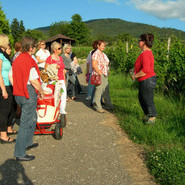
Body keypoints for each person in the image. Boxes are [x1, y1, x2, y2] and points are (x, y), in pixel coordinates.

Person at [10, 37, 44, 161]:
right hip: (27, 93)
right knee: (25, 124)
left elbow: (12, 76)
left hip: (18, 93)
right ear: (30, 48)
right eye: (35, 46)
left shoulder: (17, 59)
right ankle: (19, 153)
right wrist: (41, 91)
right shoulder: (29, 60)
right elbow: (34, 80)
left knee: (32, 118)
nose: (35, 48)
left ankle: (28, 142)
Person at [132, 33, 157, 123]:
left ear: (144, 42)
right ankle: (148, 115)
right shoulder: (144, 53)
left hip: (148, 79)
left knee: (147, 99)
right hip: (145, 79)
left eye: (140, 40)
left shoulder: (146, 53)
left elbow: (145, 70)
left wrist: (135, 75)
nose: (138, 42)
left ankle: (152, 118)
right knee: (142, 98)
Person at [0, 34, 16, 144]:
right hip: (3, 86)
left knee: (9, 109)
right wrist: (3, 90)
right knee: (4, 111)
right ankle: (3, 136)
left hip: (8, 85)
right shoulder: (0, 55)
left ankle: (7, 130)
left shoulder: (3, 54)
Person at [45, 41, 67, 114]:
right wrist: (54, 66)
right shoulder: (50, 58)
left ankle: (62, 110)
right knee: (55, 95)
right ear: (54, 49)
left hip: (61, 79)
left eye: (61, 48)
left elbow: (62, 70)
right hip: (53, 79)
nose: (61, 49)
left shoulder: (60, 58)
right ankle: (53, 110)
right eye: (59, 48)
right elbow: (46, 68)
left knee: (63, 94)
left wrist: (64, 79)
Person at [92, 40, 113, 113]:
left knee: (106, 90)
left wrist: (107, 71)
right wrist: (100, 73)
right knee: (99, 90)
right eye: (102, 45)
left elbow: (106, 64)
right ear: (98, 46)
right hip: (99, 74)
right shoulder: (96, 54)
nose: (104, 47)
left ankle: (109, 105)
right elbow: (94, 65)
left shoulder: (103, 54)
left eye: (104, 45)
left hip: (104, 74)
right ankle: (98, 106)